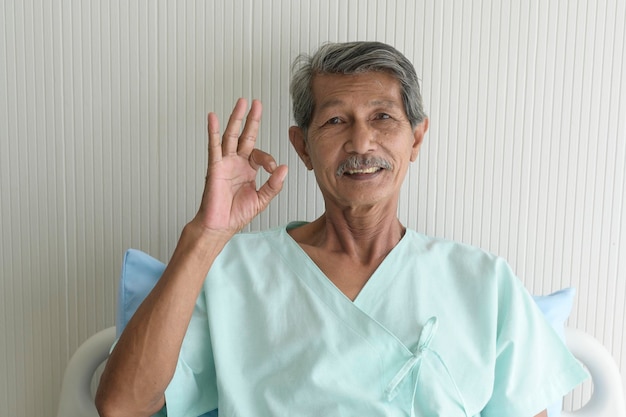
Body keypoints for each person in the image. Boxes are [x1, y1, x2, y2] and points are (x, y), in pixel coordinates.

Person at [95, 41, 587, 417]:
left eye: (383, 118)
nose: (361, 142)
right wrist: (205, 235)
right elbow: (121, 405)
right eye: (335, 121)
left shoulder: (485, 282)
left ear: (416, 138)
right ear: (303, 147)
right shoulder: (229, 272)